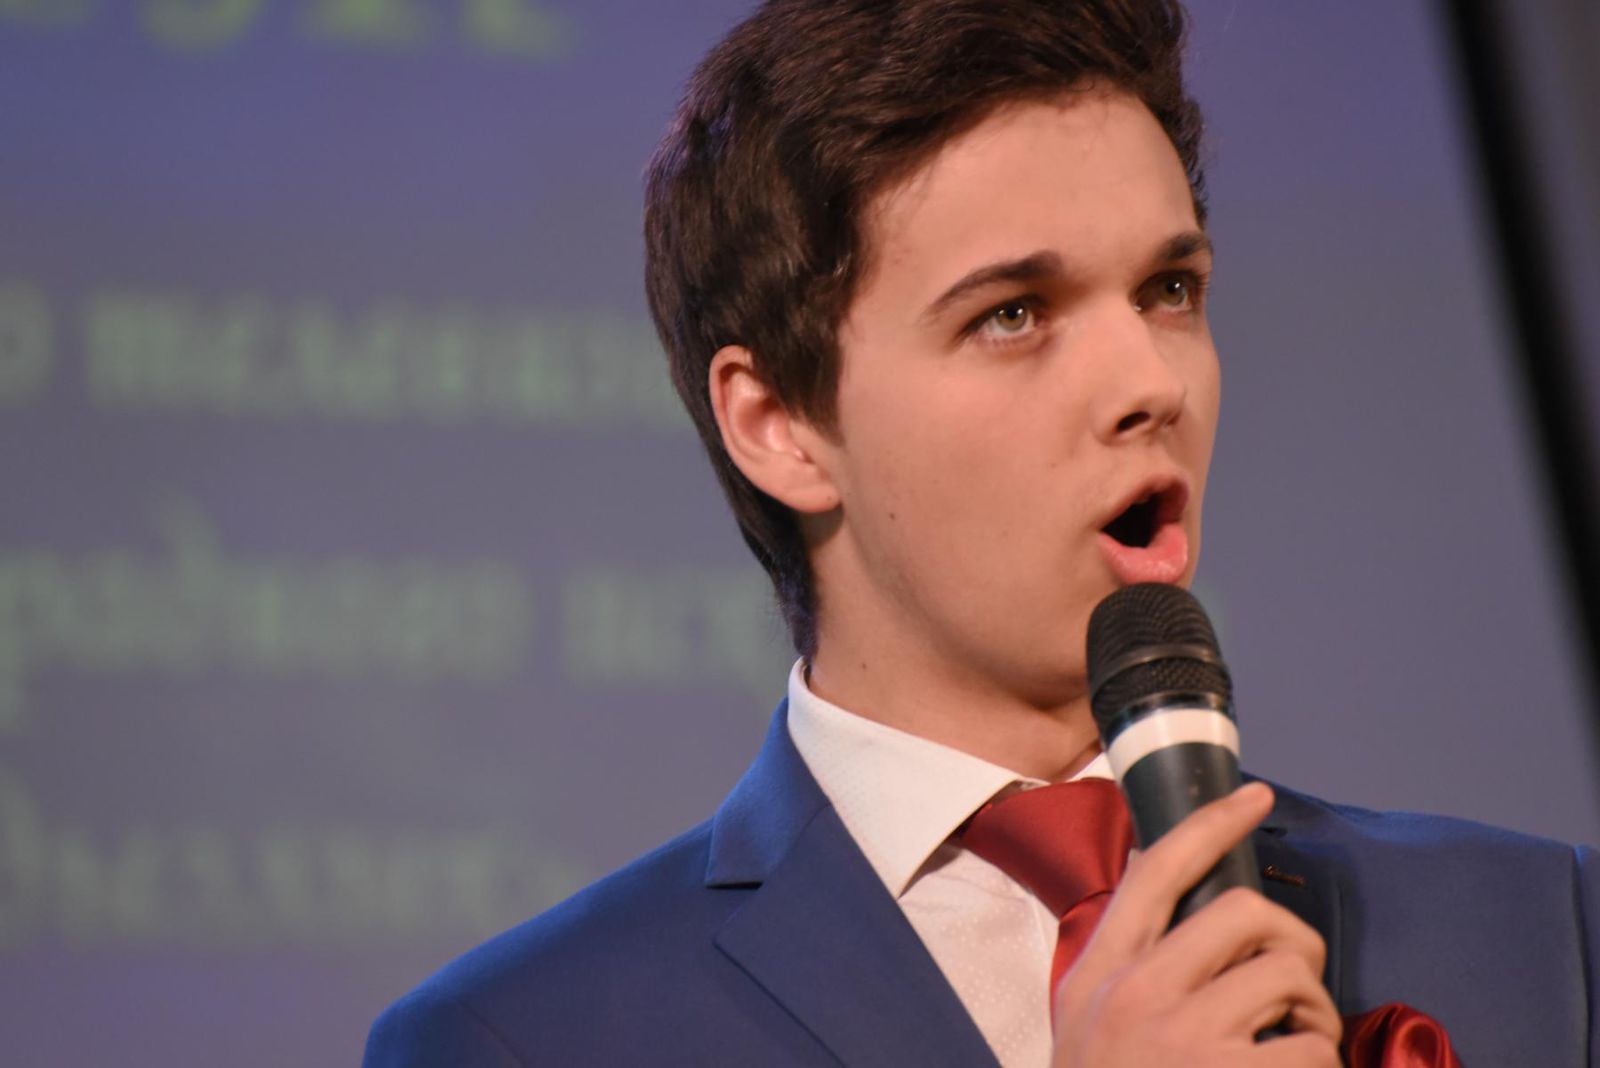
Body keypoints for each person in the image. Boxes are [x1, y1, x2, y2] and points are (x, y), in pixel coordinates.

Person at [364, 1, 1599, 1064]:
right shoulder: (524, 1037)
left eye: (1168, 291)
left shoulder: (1538, 931)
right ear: (779, 424)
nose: (1149, 383)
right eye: (1013, 313)